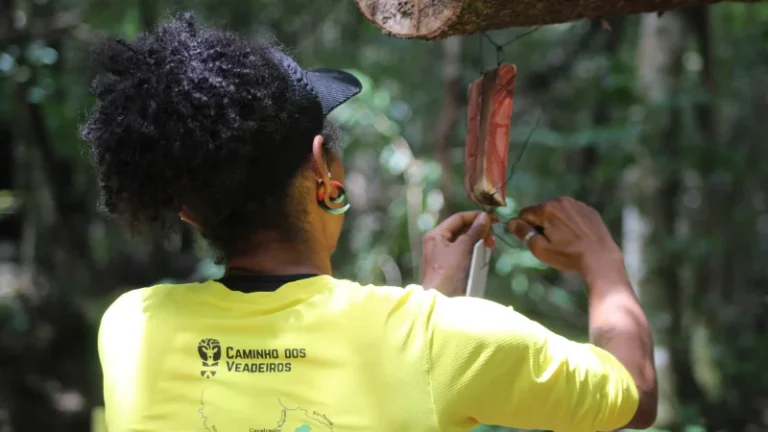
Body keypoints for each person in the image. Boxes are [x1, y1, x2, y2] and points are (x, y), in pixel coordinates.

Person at [83, 13, 657, 432]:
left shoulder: (134, 328)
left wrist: (434, 301)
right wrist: (602, 262)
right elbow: (632, 396)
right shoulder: (442, 340)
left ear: (186, 207)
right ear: (321, 167)